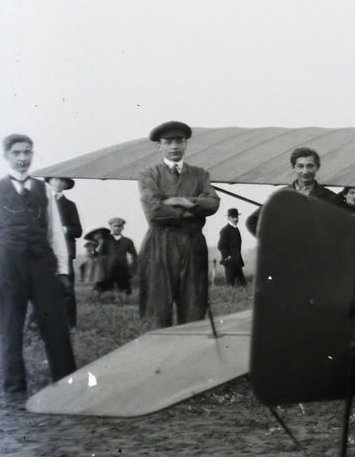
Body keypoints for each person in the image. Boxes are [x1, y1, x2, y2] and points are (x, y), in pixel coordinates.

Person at [0, 135, 77, 399]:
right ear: (6, 156)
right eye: (17, 153)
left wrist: (62, 272)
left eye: (27, 152)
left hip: (42, 264)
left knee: (55, 325)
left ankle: (67, 384)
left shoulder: (45, 189)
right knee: (10, 327)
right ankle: (14, 390)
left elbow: (56, 233)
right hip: (8, 265)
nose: (23, 158)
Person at [137, 121, 220, 327]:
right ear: (159, 146)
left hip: (193, 242)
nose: (174, 146)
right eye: (168, 142)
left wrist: (179, 201)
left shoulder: (200, 174)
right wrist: (193, 208)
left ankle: (190, 353)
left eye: (179, 141)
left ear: (186, 144)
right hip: (160, 242)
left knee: (194, 304)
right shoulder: (149, 174)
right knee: (157, 305)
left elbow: (213, 203)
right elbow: (154, 212)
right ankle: (155, 354)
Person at [246, 147, 345, 237]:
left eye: (310, 166)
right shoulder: (280, 196)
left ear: (317, 167)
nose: (305, 171)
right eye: (300, 166)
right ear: (293, 167)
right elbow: (252, 222)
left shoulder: (331, 198)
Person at [48, 177, 82, 328]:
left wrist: (63, 230)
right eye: (55, 180)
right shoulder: (43, 202)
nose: (58, 183)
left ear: (67, 185)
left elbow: (78, 230)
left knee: (67, 286)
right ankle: (42, 322)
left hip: (65, 251)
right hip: (45, 249)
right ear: (49, 181)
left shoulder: (69, 205)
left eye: (63, 181)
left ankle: (69, 323)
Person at [95, 217, 138, 294]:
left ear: (122, 227)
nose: (117, 228)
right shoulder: (106, 240)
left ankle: (124, 300)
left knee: (125, 290)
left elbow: (134, 256)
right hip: (108, 269)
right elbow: (98, 254)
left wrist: (132, 269)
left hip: (123, 268)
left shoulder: (128, 241)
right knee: (105, 290)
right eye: (115, 226)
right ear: (111, 227)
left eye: (119, 226)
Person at [217, 209, 246, 287]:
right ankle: (228, 298)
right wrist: (228, 257)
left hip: (237, 261)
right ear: (228, 218)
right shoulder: (225, 230)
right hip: (230, 261)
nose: (236, 219)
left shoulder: (236, 230)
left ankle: (237, 298)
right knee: (230, 283)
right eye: (233, 217)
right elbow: (221, 245)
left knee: (242, 284)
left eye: (236, 217)